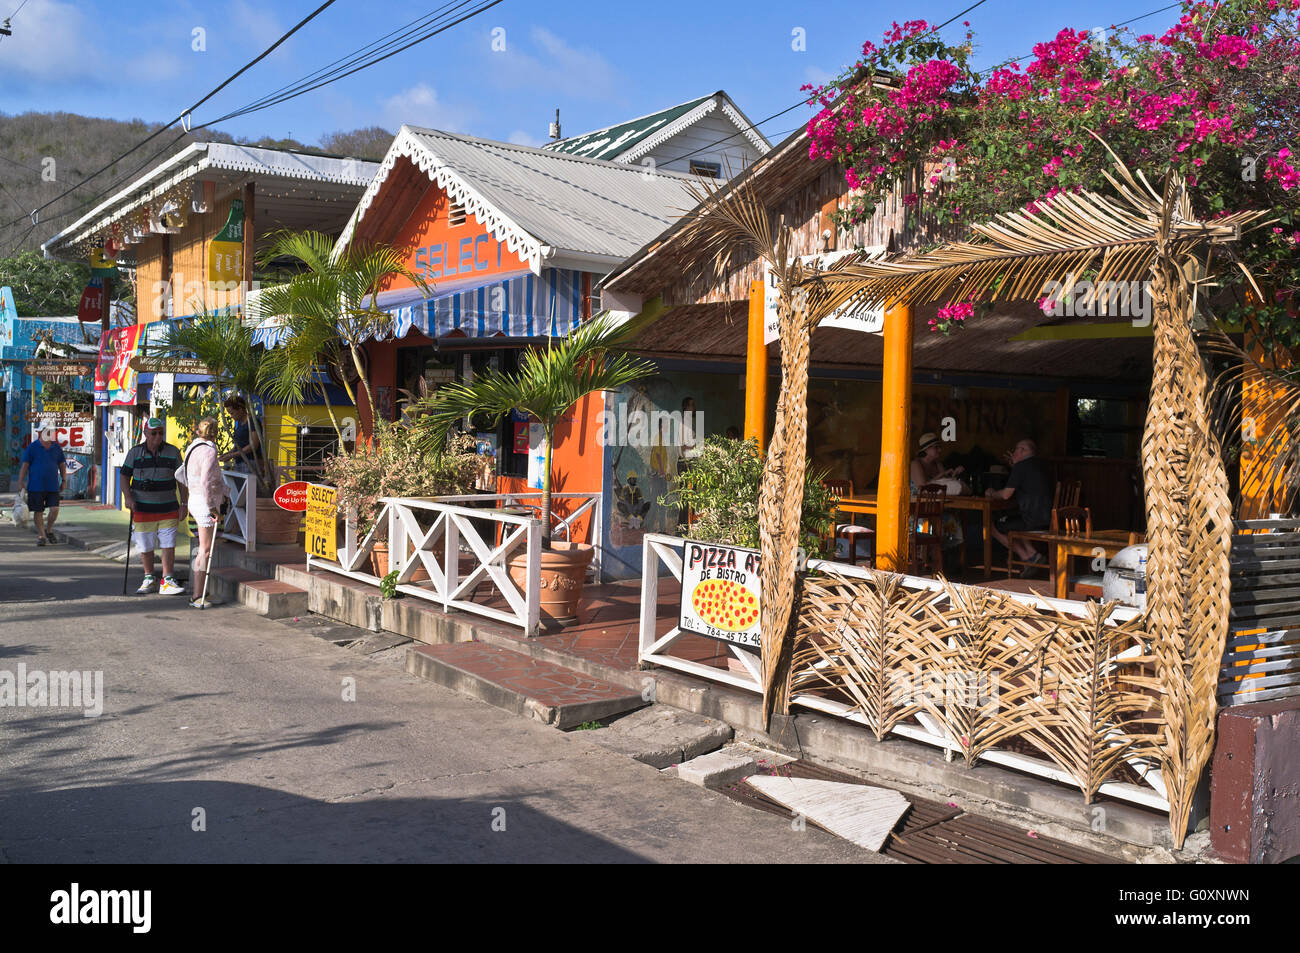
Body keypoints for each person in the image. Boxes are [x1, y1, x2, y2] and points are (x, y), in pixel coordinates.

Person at [121, 417, 186, 595]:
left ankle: (168, 578)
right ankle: (149, 577)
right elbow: (124, 476)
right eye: (154, 433)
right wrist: (128, 497)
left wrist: (184, 504)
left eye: (160, 433)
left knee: (168, 544)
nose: (158, 437)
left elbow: (182, 480)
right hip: (142, 508)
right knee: (145, 546)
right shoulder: (134, 453)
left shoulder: (173, 452)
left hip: (168, 507)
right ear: (145, 433)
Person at [176, 417, 228, 608]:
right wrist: (213, 506)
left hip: (193, 499)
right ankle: (197, 595)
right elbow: (206, 481)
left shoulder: (192, 447)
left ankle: (201, 591)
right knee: (205, 550)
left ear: (198, 432)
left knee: (202, 548)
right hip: (204, 502)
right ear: (215, 434)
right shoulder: (209, 452)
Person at [987, 437, 1054, 576]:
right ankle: (1032, 555)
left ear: (1022, 450)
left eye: (1015, 449)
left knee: (991, 526)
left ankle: (1028, 557)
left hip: (1032, 520)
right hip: (1050, 520)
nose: (1013, 453)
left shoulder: (1021, 467)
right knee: (1014, 521)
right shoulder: (1042, 465)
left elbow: (1006, 495)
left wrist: (992, 493)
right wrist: (1015, 466)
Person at [18, 423, 67, 546]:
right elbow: (25, 465)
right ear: (43, 432)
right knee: (38, 511)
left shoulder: (56, 448)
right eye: (50, 431)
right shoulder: (32, 447)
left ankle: (49, 530)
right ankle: (41, 536)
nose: (52, 433)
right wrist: (20, 481)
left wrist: (64, 480)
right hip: (36, 486)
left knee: (54, 509)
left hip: (53, 485)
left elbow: (62, 465)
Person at [219, 395, 263, 472]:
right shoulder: (239, 423)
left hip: (251, 462)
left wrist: (232, 455)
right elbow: (239, 445)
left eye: (232, 413)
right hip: (239, 462)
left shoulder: (252, 422)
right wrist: (228, 454)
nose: (231, 416)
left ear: (240, 409)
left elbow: (254, 445)